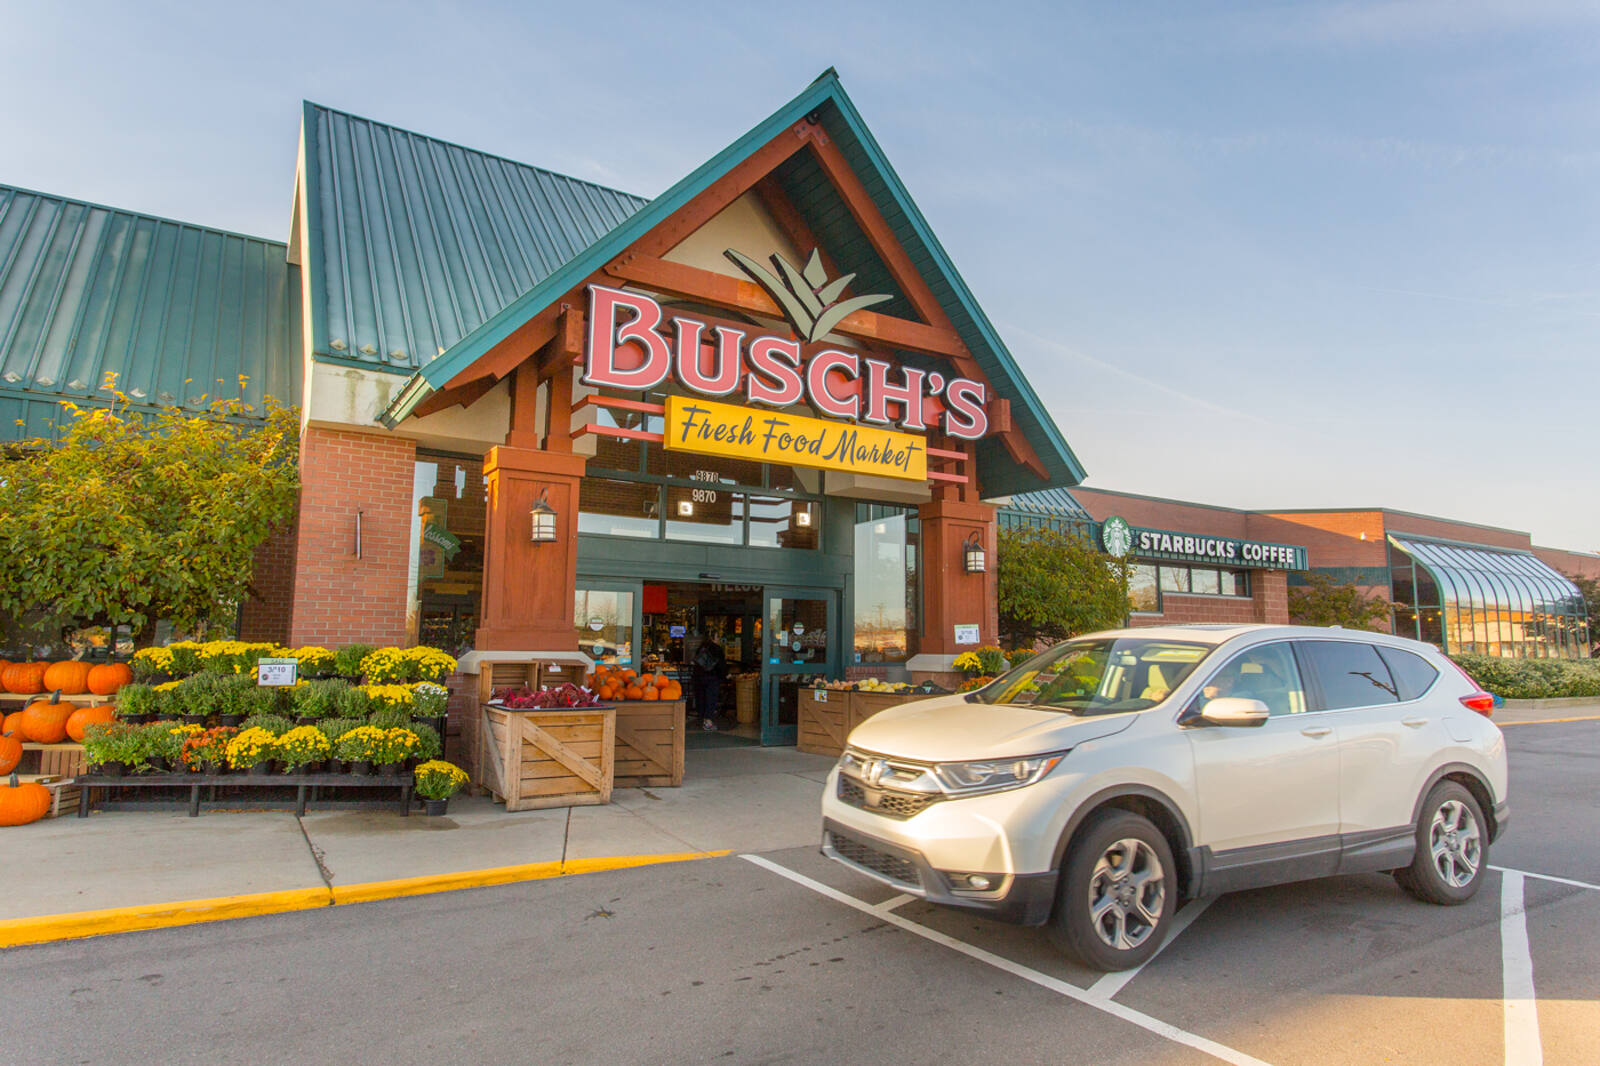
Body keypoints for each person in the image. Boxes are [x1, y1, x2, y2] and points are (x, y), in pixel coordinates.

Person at [692, 632, 727, 731]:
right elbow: (721, 665)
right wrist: (725, 675)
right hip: (712, 677)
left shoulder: (701, 648)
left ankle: (702, 719)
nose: (719, 639)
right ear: (712, 638)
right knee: (711, 699)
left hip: (699, 677)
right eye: (717, 636)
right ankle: (708, 722)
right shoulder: (717, 649)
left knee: (702, 698)